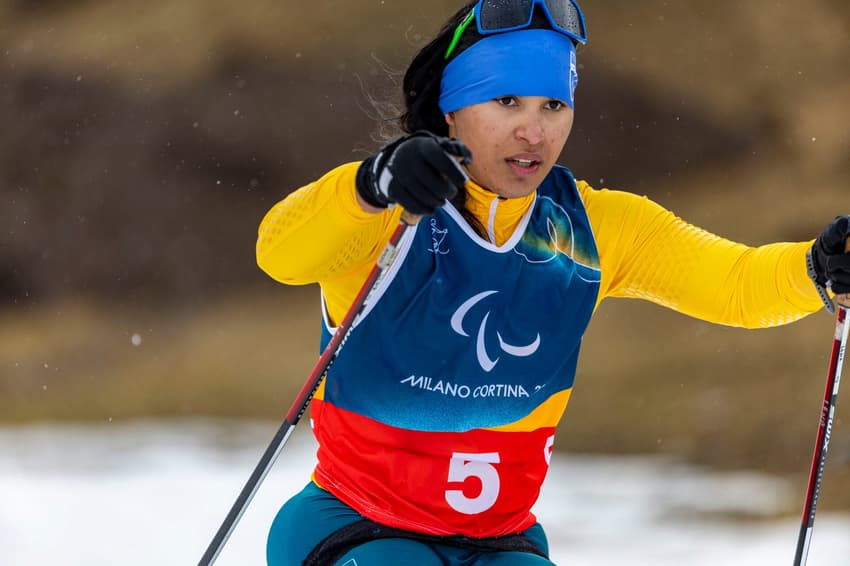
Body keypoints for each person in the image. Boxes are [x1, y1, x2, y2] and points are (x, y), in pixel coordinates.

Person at [256, 1, 850, 564]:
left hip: (499, 542)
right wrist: (369, 185)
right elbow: (279, 252)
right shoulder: (388, 210)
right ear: (451, 109)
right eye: (507, 101)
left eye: (553, 106)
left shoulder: (590, 229)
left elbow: (735, 284)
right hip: (356, 525)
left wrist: (817, 269)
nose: (533, 133)